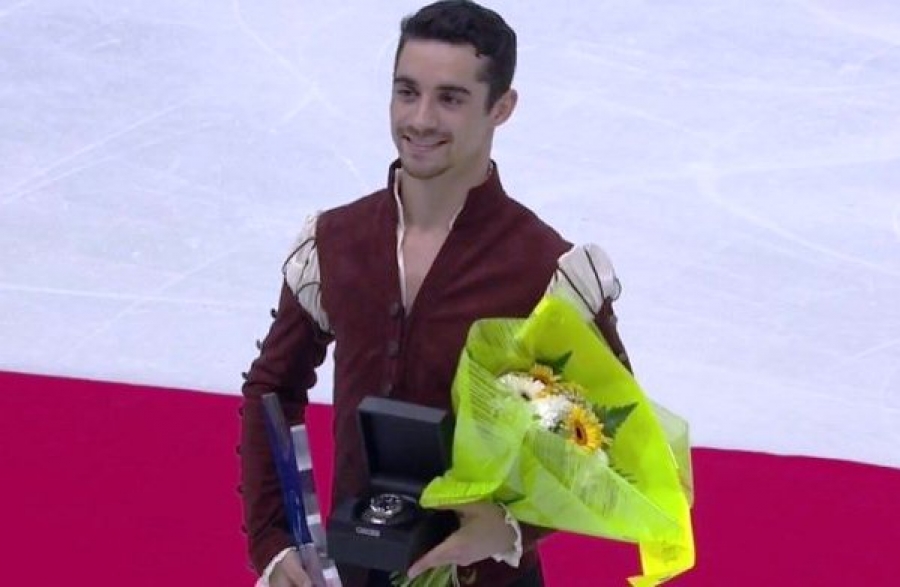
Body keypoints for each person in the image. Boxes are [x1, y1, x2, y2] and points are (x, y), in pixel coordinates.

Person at [238, 1, 632, 586]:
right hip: (352, 571)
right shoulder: (335, 242)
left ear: (502, 107)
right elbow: (273, 387)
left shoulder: (545, 269)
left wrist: (512, 529)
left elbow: (611, 432)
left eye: (450, 98)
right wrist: (275, 540)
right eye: (406, 92)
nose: (420, 119)